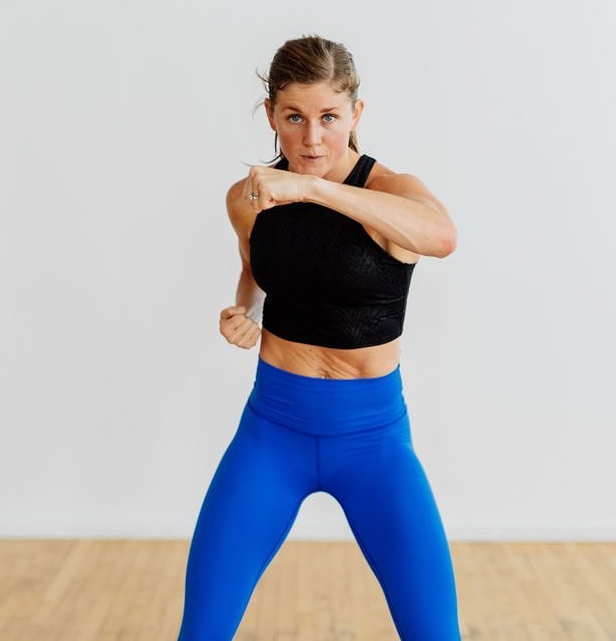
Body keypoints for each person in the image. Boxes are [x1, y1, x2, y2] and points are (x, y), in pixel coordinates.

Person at [177, 34, 461, 640]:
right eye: (294, 118)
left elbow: (441, 236)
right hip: (272, 432)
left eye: (329, 118)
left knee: (435, 633)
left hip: (374, 443)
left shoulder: (389, 193)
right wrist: (241, 309)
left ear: (356, 114)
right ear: (272, 116)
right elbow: (256, 265)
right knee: (201, 631)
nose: (311, 138)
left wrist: (311, 188)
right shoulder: (251, 198)